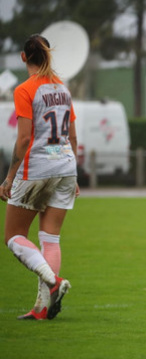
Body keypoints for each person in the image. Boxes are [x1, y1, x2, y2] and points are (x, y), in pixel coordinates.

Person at [0, 34, 75, 320]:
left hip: (38, 168)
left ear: (23, 57)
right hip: (66, 166)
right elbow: (73, 134)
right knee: (50, 238)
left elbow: (23, 140)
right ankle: (43, 308)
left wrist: (8, 178)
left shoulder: (25, 89)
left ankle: (54, 283)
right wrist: (74, 173)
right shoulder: (62, 89)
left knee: (13, 236)